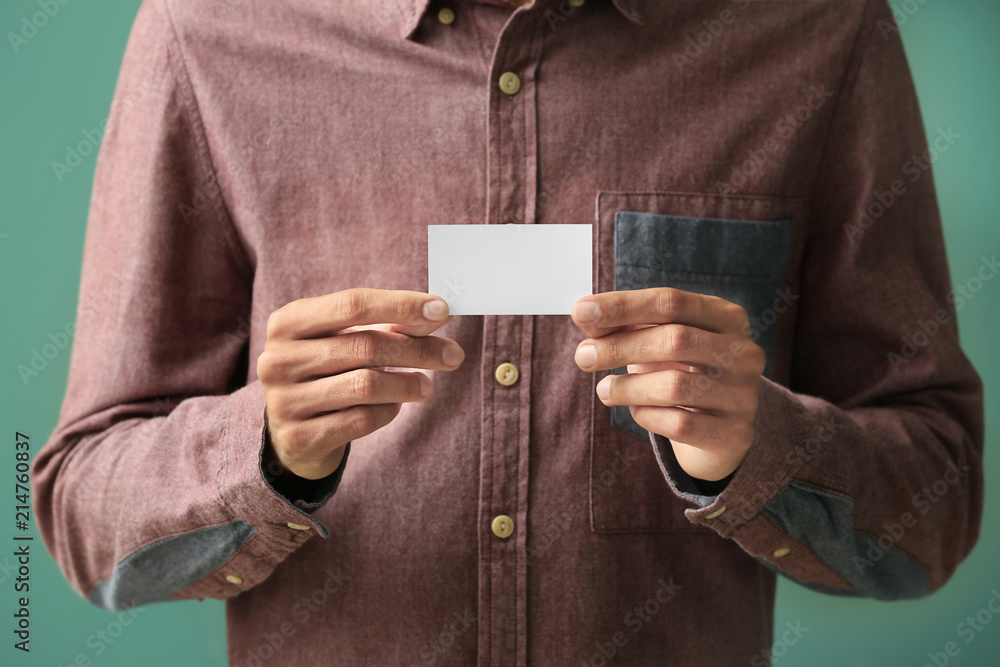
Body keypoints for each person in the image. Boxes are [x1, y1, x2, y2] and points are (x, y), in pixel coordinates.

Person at [33, 0, 984, 665]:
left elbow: (933, 513)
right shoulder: (206, 31)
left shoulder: (820, 32)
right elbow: (81, 510)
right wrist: (268, 449)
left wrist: (756, 443)